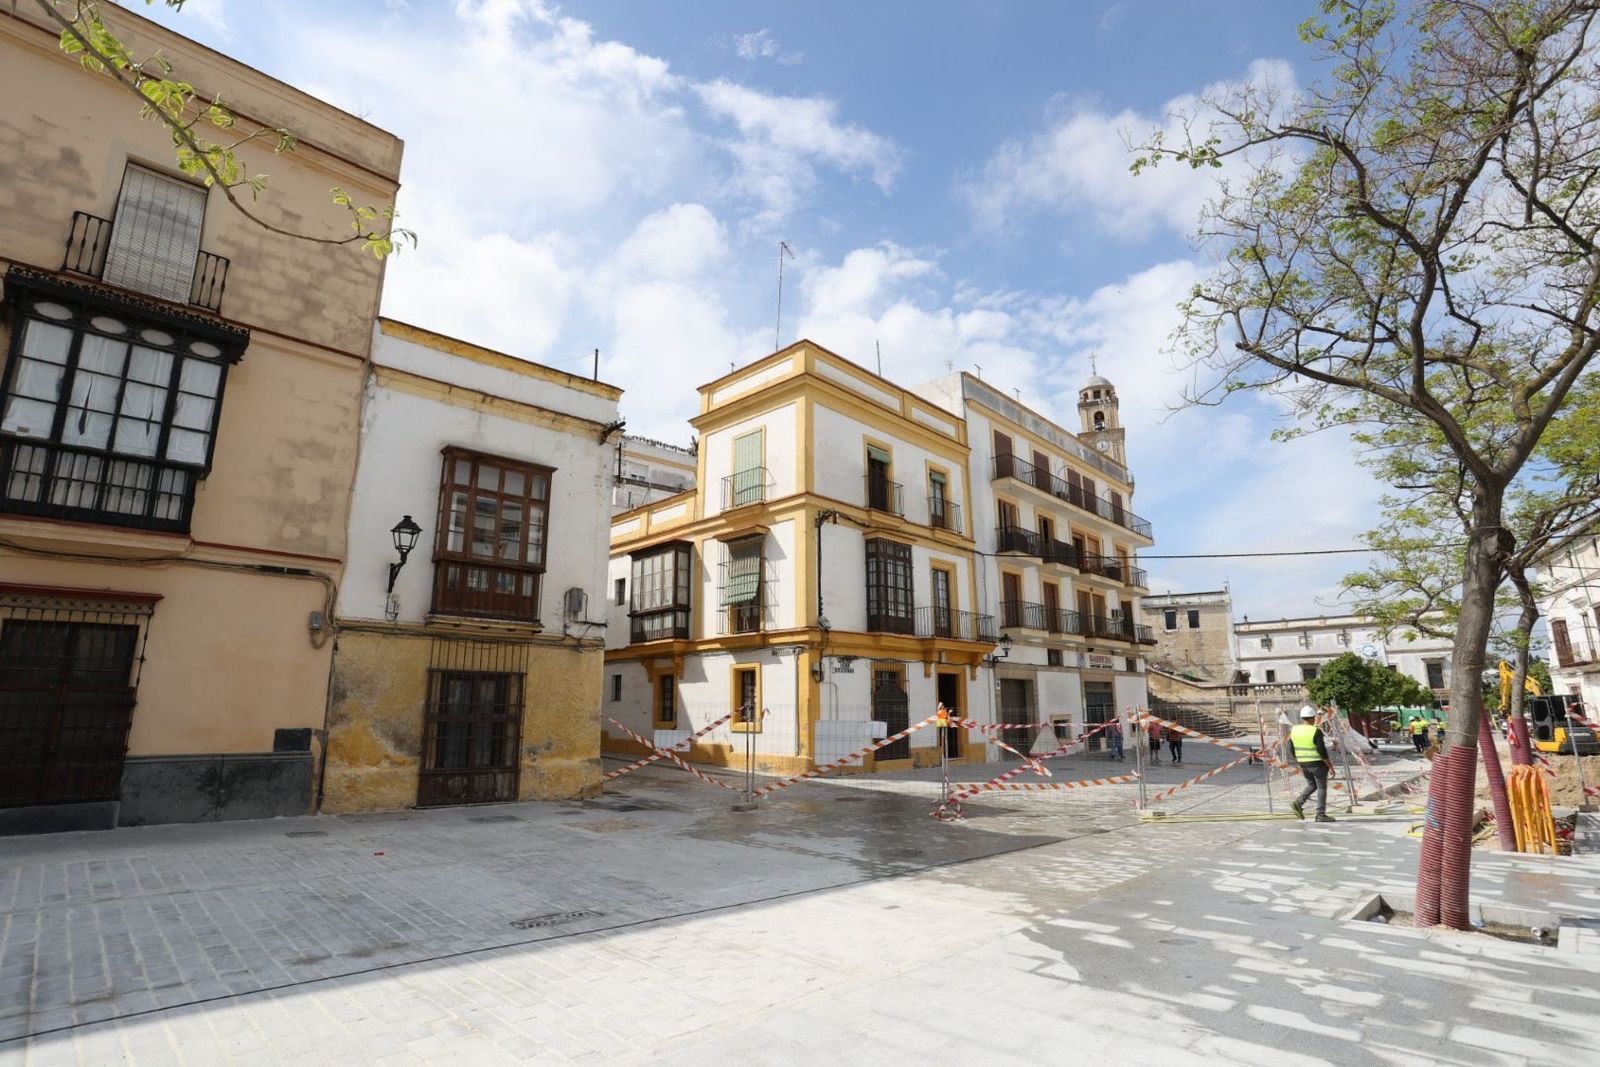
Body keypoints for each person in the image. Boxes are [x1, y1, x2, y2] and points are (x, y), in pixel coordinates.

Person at [1289, 705, 1336, 823]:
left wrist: (1299, 759)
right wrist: (1330, 766)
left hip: (1303, 763)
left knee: (1312, 785)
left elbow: (1291, 748)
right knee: (1321, 787)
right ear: (1312, 718)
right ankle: (1320, 814)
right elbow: (1322, 751)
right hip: (1317, 764)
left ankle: (1298, 803)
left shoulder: (1294, 730)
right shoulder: (1315, 731)